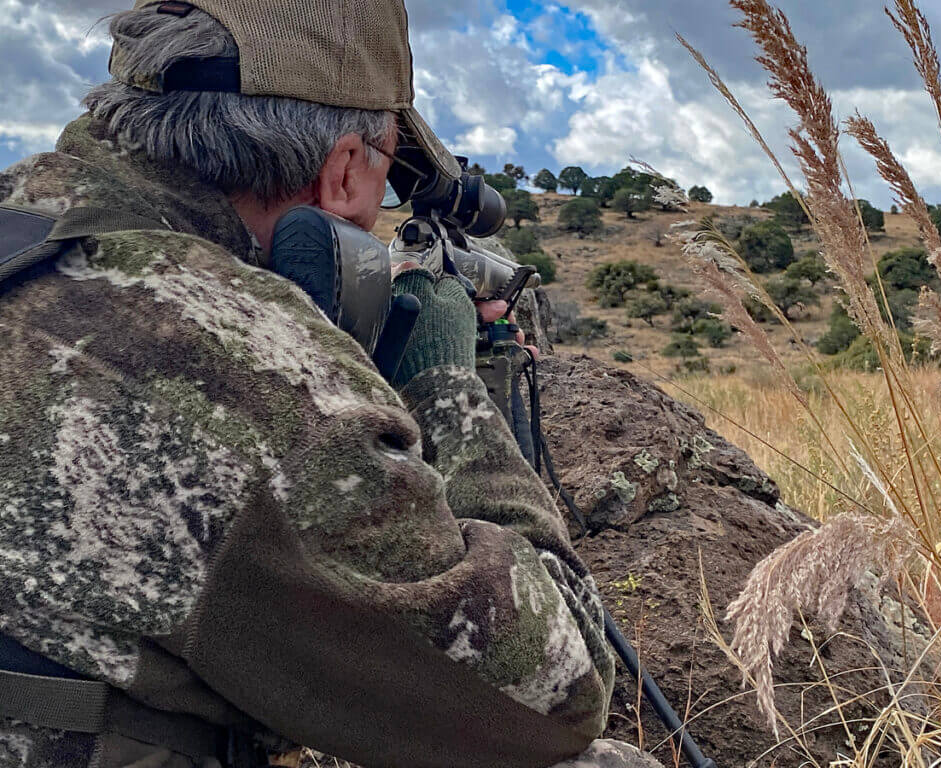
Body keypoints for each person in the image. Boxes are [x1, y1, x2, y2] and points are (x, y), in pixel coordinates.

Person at [0, 2, 665, 767]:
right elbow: (557, 692)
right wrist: (446, 382)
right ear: (345, 168)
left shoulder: (30, 234)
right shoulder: (250, 376)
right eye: (387, 175)